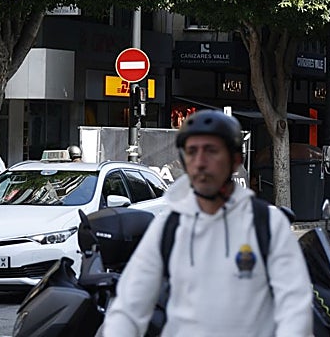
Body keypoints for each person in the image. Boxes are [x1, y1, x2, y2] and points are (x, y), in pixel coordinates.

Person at [101, 110, 311, 337]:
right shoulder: (169, 228)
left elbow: (294, 307)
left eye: (211, 151)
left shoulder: (267, 225)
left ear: (235, 161)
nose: (200, 162)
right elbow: (129, 307)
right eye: (192, 151)